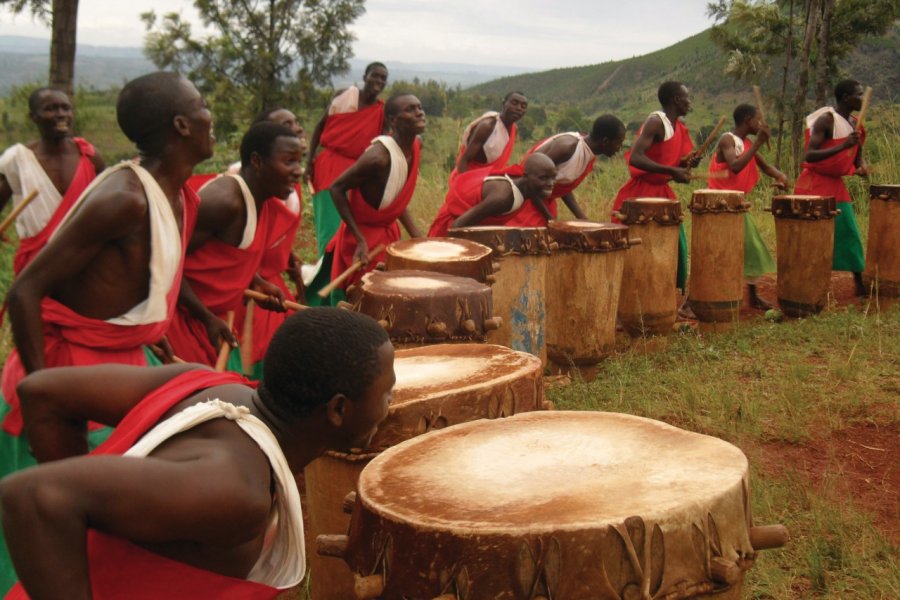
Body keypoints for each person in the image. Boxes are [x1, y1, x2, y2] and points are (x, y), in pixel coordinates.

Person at [0, 308, 394, 599]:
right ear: (338, 410)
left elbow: (43, 390)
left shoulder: (203, 384)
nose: (389, 405)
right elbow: (34, 497)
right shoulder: (236, 491)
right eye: (385, 393)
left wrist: (93, 523)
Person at [0, 71, 211, 593]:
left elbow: (134, 291)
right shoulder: (125, 197)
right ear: (182, 126)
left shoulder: (181, 196)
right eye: (202, 105)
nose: (211, 115)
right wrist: (45, 394)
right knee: (48, 539)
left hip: (121, 363)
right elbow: (24, 291)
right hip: (68, 377)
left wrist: (155, 336)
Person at [166, 122, 303, 369]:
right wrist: (205, 316)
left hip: (212, 319)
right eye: (289, 161)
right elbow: (166, 263)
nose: (298, 170)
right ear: (257, 161)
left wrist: (256, 281)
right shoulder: (224, 201)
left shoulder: (263, 200)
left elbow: (226, 256)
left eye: (299, 161)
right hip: (183, 323)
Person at [325, 93, 426, 301]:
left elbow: (394, 198)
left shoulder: (416, 146)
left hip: (387, 236)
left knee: (388, 299)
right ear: (392, 120)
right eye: (410, 109)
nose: (419, 113)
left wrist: (416, 235)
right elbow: (336, 188)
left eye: (419, 107)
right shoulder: (378, 158)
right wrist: (360, 240)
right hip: (362, 240)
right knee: (364, 303)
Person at [304, 62, 389, 305]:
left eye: (384, 78)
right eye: (375, 76)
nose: (379, 81)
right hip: (329, 167)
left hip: (356, 175)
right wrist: (309, 160)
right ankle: (321, 293)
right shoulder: (344, 97)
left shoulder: (381, 112)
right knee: (329, 234)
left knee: (347, 236)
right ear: (365, 76)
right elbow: (320, 126)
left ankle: (344, 290)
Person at [233, 109, 307, 379]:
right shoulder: (238, 193)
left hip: (262, 280)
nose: (295, 129)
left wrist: (286, 253)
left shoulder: (283, 177)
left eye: (295, 123)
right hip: (242, 291)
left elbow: (267, 236)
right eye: (285, 126)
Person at [0, 88, 105, 274]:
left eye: (66, 108)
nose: (61, 115)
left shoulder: (90, 157)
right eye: (51, 109)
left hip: (85, 262)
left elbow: (108, 205)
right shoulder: (17, 159)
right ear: (33, 116)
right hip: (36, 265)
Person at [611, 81, 701, 294]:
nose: (690, 102)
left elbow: (670, 163)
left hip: (661, 194)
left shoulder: (677, 126)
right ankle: (630, 301)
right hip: (641, 194)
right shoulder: (655, 122)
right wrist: (672, 171)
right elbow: (636, 158)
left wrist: (684, 165)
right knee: (636, 250)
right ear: (676, 100)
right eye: (687, 98)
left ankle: (660, 295)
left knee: (674, 246)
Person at [707, 103, 789, 309]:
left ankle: (753, 296)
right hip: (721, 206)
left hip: (737, 206)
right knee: (717, 253)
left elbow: (766, 166)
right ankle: (692, 301)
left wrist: (781, 176)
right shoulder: (728, 140)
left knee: (751, 249)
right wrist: (758, 143)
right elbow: (735, 166)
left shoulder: (744, 143)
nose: (762, 123)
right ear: (747, 120)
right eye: (758, 119)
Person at [794, 79, 869, 296]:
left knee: (849, 232)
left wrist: (862, 168)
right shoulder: (826, 120)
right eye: (859, 94)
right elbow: (809, 154)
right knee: (813, 237)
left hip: (836, 186)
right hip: (814, 184)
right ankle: (808, 283)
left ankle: (859, 284)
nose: (862, 98)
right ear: (846, 97)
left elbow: (858, 160)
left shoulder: (856, 124)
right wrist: (844, 145)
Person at [523, 114, 626, 220]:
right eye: (619, 143)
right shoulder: (567, 148)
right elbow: (529, 182)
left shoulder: (588, 154)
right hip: (525, 201)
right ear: (605, 141)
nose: (620, 148)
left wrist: (583, 219)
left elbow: (563, 186)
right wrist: (550, 219)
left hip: (542, 201)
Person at [428, 153, 557, 236]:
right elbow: (456, 227)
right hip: (446, 232)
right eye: (544, 178)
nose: (551, 183)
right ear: (526, 176)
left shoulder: (526, 188)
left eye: (553, 178)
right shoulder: (502, 198)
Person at [449, 91, 528, 181]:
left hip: (491, 180)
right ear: (504, 104)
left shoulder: (514, 129)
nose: (519, 108)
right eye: (514, 103)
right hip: (468, 178)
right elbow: (464, 160)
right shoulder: (487, 127)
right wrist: (467, 184)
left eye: (523, 106)